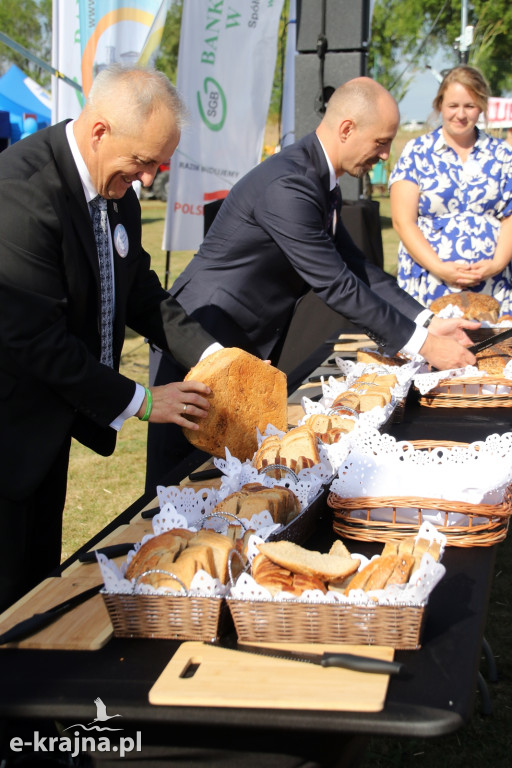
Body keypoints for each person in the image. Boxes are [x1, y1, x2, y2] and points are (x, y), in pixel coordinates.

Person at [145, 76, 478, 490]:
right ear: (346, 128)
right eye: (381, 142)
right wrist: (424, 346)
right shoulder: (290, 183)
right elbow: (336, 284)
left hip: (240, 344)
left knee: (230, 485)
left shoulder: (317, 177)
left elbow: (357, 266)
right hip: (198, 341)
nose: (384, 154)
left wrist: (426, 321)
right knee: (177, 486)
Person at [0, 65, 223, 613]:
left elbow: (140, 290)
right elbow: (34, 339)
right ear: (99, 131)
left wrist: (215, 356)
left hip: (44, 429)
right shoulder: (23, 191)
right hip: (7, 427)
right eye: (144, 162)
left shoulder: (115, 189)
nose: (149, 180)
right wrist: (141, 400)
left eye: (158, 165)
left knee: (35, 589)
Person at [389, 65, 512, 310]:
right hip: (430, 282)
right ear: (439, 105)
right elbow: (403, 221)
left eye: (470, 106)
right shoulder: (417, 152)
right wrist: (440, 268)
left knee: (492, 348)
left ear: (482, 107)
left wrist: (496, 263)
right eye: (453, 106)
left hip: (493, 285)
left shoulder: (502, 154)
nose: (461, 114)